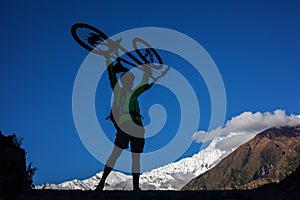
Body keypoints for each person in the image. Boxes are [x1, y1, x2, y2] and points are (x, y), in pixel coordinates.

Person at [95, 57, 153, 191]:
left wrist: (146, 71)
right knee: (116, 153)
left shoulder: (134, 93)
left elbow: (144, 84)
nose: (131, 82)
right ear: (123, 80)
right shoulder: (118, 90)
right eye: (128, 79)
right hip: (125, 125)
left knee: (136, 157)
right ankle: (102, 183)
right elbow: (111, 74)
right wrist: (108, 57)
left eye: (132, 80)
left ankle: (136, 187)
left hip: (138, 126)